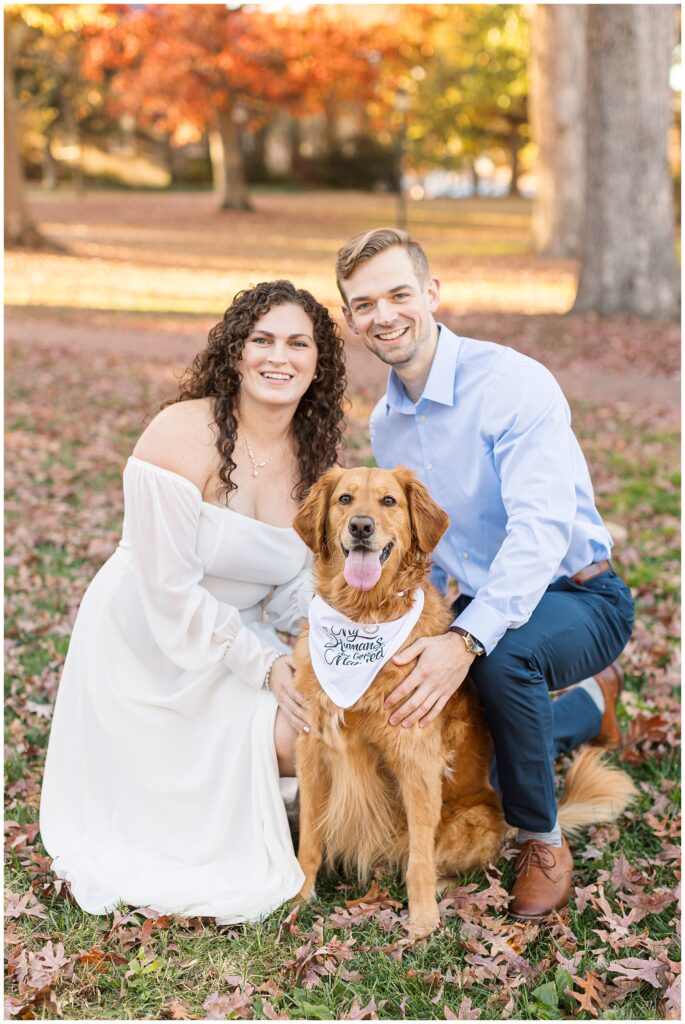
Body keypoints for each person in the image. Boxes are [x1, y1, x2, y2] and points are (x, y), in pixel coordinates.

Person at [334, 228, 634, 920]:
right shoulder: (386, 422)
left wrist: (465, 641)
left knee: (500, 665)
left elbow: (538, 533)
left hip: (578, 596)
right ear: (350, 319)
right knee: (471, 744)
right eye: (363, 303)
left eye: (398, 294)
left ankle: (540, 840)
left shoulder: (512, 384)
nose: (383, 315)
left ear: (431, 294)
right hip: (476, 600)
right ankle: (589, 705)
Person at [40, 280, 346, 924]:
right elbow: (169, 591)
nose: (278, 357)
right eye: (261, 340)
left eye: (298, 343)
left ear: (319, 362)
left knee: (333, 714)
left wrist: (338, 643)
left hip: (244, 637)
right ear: (235, 352)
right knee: (300, 739)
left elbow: (295, 584)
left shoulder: (315, 457)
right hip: (148, 649)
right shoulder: (180, 433)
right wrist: (266, 665)